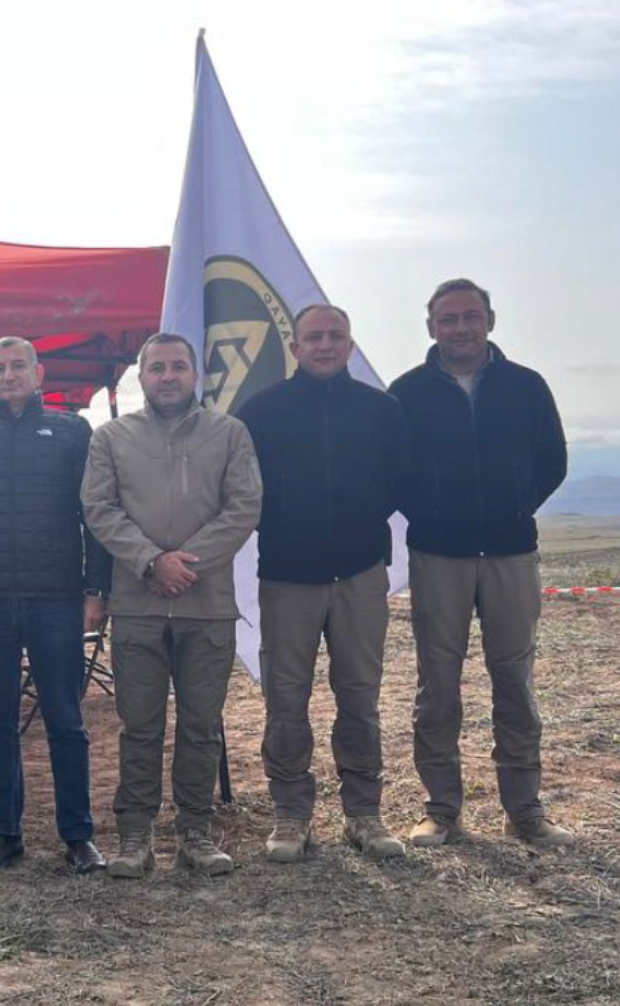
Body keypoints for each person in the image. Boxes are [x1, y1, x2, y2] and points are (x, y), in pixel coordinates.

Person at [389, 278, 574, 848]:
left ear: (490, 321)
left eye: (471, 317)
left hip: (510, 551)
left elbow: (552, 461)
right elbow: (393, 471)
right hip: (437, 554)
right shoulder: (406, 392)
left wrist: (514, 507)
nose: (460, 328)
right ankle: (441, 810)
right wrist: (435, 514)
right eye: (448, 319)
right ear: (431, 328)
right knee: (437, 686)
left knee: (514, 681)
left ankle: (525, 810)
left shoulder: (526, 386)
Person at [83, 333, 261, 878]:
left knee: (201, 725)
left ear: (195, 374)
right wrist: (149, 562)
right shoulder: (111, 437)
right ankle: (135, 835)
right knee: (138, 725)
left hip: (206, 606)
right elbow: (98, 507)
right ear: (140, 375)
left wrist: (186, 564)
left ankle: (195, 832)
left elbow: (244, 506)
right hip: (137, 607)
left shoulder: (229, 434)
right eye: (156, 367)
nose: (167, 376)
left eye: (178, 366)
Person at [236, 308, 408, 863]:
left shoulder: (382, 410)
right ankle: (291, 815)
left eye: (336, 336)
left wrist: (358, 527)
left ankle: (364, 813)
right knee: (286, 701)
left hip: (360, 574)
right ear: (295, 346)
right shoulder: (261, 411)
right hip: (287, 577)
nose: (325, 345)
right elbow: (243, 490)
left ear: (350, 344)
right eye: (314, 336)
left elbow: (398, 482)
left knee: (360, 698)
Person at [0, 336, 112, 876]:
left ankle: (78, 835)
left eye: (19, 365)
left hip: (56, 598)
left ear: (39, 374)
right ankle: (4, 832)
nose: (9, 374)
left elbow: (94, 515)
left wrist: (96, 589)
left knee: (66, 719)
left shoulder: (73, 431)